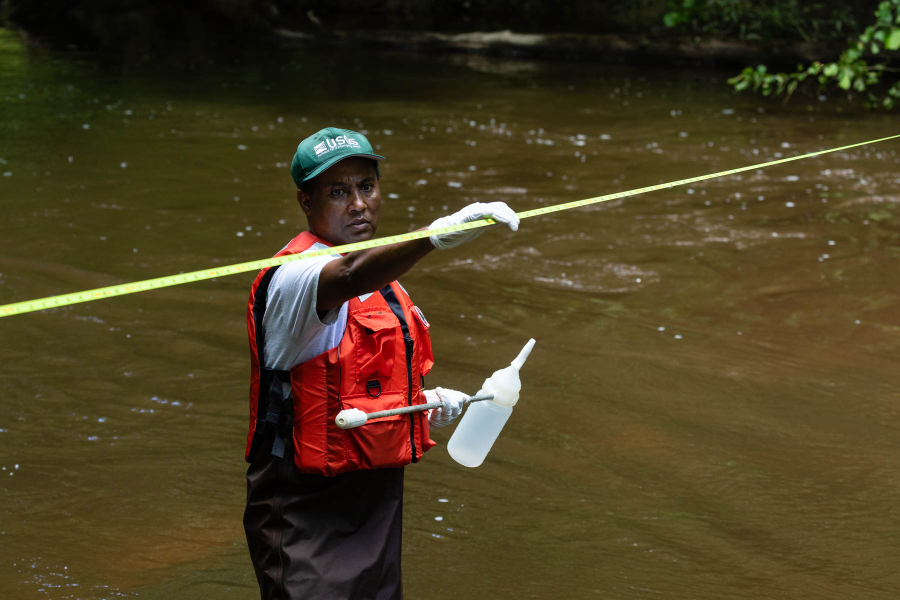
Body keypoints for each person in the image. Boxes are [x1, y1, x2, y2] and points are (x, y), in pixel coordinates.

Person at [242, 127, 519, 599]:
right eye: (337, 192)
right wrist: (435, 237)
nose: (358, 204)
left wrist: (424, 402)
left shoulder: (387, 280)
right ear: (305, 202)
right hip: (304, 506)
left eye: (366, 186)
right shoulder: (298, 277)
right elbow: (348, 274)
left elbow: (354, 388)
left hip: (376, 501)